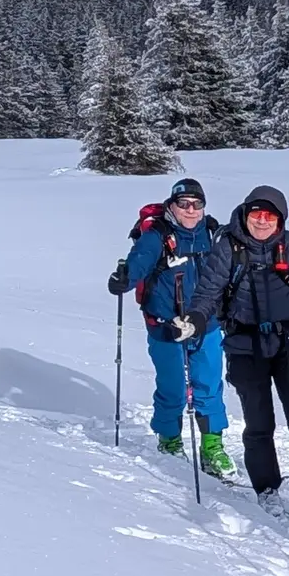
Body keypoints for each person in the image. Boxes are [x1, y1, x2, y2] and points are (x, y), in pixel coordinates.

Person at [187, 185, 289, 528]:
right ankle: (267, 489)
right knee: (259, 423)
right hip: (244, 345)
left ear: (280, 219)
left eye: (270, 216)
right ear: (246, 213)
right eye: (256, 214)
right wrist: (194, 321)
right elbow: (208, 292)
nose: (262, 221)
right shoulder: (228, 246)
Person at [113, 175, 235, 476]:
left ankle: (212, 446)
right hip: (165, 325)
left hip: (205, 323)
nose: (191, 210)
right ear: (172, 205)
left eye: (197, 204)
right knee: (173, 387)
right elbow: (139, 262)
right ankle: (169, 441)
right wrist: (125, 279)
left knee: (209, 384)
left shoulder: (213, 233)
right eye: (184, 204)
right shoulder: (157, 235)